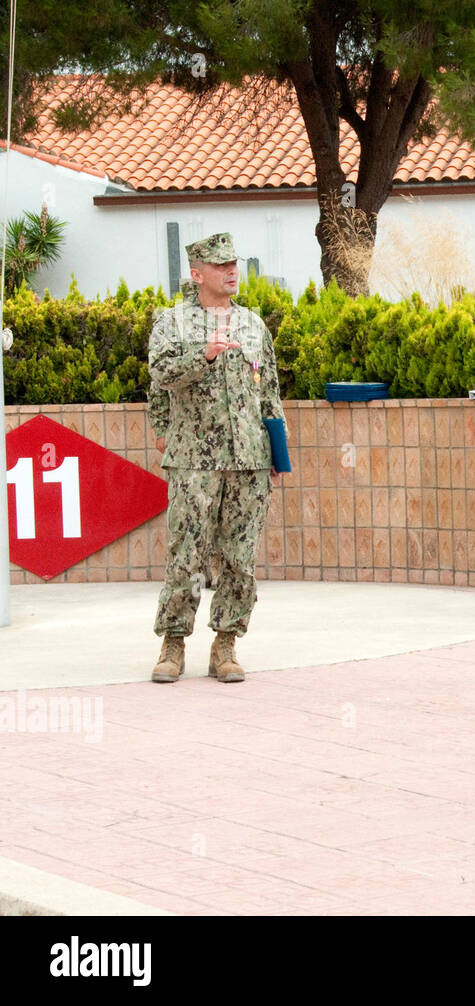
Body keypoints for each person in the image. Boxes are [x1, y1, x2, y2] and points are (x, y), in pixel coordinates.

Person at [148, 233, 284, 684]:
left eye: (234, 264)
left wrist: (276, 456)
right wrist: (201, 356)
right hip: (193, 461)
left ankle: (226, 644)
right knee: (186, 555)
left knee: (239, 557)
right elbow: (160, 376)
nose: (231, 272)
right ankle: (173, 643)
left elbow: (270, 394)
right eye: (221, 265)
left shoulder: (253, 326)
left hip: (248, 459)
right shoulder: (173, 323)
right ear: (197, 273)